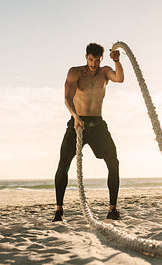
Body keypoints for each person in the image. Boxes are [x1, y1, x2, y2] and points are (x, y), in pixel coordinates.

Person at [52, 43, 124, 222]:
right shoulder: (75, 73)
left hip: (98, 124)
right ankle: (59, 209)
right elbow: (67, 98)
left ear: (101, 59)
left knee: (113, 162)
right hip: (78, 122)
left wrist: (117, 61)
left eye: (97, 60)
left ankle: (112, 209)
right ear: (86, 57)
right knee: (64, 163)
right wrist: (75, 116)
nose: (93, 64)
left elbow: (120, 78)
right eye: (91, 60)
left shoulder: (104, 72)